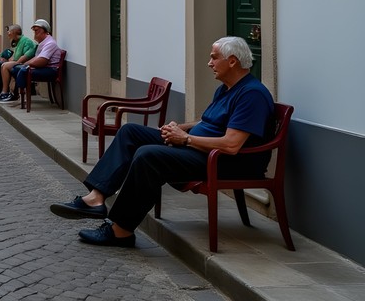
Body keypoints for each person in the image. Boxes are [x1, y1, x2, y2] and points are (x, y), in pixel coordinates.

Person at [49, 36, 274, 247]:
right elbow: (209, 121)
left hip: (223, 161)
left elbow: (231, 145)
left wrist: (185, 139)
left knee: (149, 156)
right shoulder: (226, 89)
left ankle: (121, 231)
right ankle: (95, 198)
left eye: (214, 57)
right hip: (200, 147)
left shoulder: (251, 95)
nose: (209, 63)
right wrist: (180, 128)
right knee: (131, 132)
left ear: (232, 61)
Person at [0, 18, 61, 102]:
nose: (35, 34)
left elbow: (41, 61)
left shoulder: (50, 43)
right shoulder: (43, 42)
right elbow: (36, 58)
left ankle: (13, 93)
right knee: (9, 67)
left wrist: (25, 64)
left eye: (37, 31)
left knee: (19, 69)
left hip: (50, 70)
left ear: (45, 31)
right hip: (45, 68)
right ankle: (7, 92)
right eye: (34, 31)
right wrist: (24, 63)